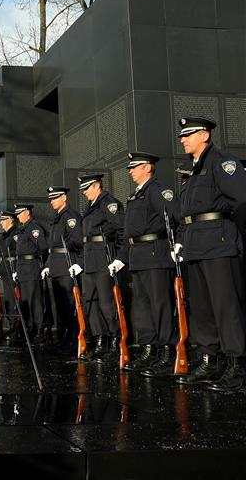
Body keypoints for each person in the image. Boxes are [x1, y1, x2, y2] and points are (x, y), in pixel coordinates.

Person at [173, 117, 246, 391]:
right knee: (203, 308)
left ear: (204, 135)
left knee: (226, 306)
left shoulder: (221, 162)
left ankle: (237, 366)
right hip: (195, 244)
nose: (182, 139)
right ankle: (209, 361)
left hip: (218, 242)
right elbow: (187, 214)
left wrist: (233, 235)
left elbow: (242, 201)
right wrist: (181, 241)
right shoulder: (193, 171)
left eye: (188, 135)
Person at [117, 152, 181, 376]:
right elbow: (129, 233)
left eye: (135, 167)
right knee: (142, 307)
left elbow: (176, 218)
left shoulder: (158, 190)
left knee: (160, 304)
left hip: (156, 254)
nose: (131, 171)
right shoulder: (135, 196)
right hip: (138, 255)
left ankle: (166, 352)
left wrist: (178, 245)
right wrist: (121, 258)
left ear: (148, 168)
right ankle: (148, 349)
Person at [77, 173, 125, 365]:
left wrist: (120, 257)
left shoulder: (109, 203)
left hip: (104, 257)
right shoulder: (90, 206)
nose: (84, 192)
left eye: (87, 188)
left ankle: (115, 341)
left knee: (107, 303)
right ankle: (100, 340)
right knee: (91, 303)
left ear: (97, 186)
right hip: (90, 258)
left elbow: (121, 230)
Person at [41, 186, 83, 353]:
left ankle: (73, 339)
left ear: (64, 197)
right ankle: (63, 337)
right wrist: (47, 266)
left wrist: (78, 262)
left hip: (67, 264)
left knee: (69, 304)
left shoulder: (70, 217)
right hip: (57, 265)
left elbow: (78, 242)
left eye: (55, 198)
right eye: (50, 198)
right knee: (60, 305)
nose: (51, 201)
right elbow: (53, 247)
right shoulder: (57, 218)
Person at [12, 204, 49, 343]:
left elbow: (43, 248)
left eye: (19, 213)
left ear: (27, 212)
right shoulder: (22, 229)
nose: (17, 216)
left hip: (31, 267)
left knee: (35, 300)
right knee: (25, 301)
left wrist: (40, 264)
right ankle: (29, 329)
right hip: (22, 268)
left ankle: (39, 329)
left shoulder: (34, 227)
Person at [0, 211, 18, 340]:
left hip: (15, 270)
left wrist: (17, 270)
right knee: (8, 300)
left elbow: (18, 254)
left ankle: (17, 328)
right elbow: (4, 257)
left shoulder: (16, 234)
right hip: (7, 271)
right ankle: (12, 326)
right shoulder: (4, 236)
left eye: (3, 220)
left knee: (15, 301)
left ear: (11, 220)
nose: (1, 223)